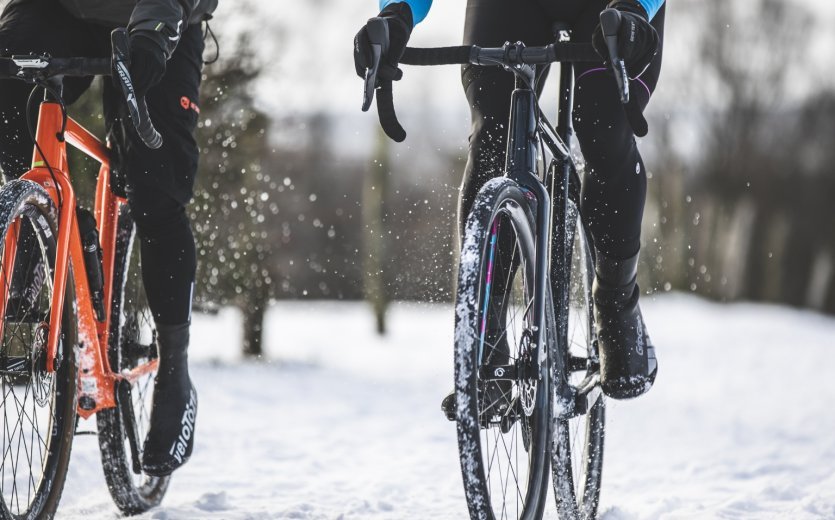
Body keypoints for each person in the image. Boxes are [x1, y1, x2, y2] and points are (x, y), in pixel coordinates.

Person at [355, 0, 663, 400]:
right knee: (493, 137)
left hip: (612, 7)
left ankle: (616, 303)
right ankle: (487, 331)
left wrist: (637, 7)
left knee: (603, 127)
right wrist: (398, 13)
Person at [0, 0, 217, 475]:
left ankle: (174, 368)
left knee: (155, 189)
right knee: (5, 92)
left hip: (161, 14)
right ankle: (47, 232)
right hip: (56, 9)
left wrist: (159, 21)